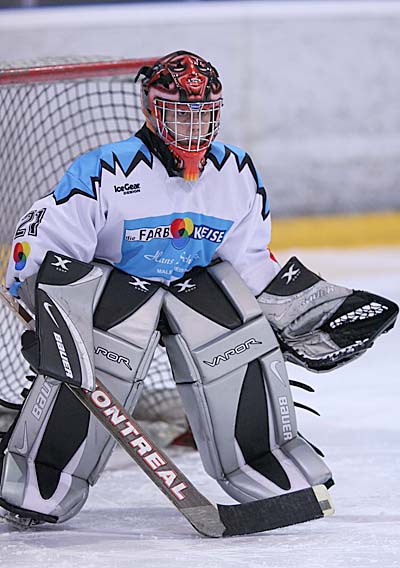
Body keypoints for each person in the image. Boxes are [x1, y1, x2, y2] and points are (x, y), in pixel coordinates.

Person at [0, 51, 397, 528]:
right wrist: (47, 314)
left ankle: (264, 459)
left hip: (192, 295)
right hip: (115, 302)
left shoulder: (235, 173)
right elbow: (47, 249)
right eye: (180, 114)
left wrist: (316, 310)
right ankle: (41, 471)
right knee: (109, 333)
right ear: (151, 110)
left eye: (204, 115)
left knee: (228, 311)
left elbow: (251, 265)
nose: (193, 128)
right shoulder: (105, 171)